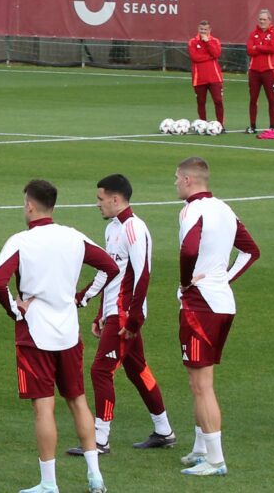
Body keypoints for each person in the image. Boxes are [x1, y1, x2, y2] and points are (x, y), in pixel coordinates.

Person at [0, 179, 120, 493]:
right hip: (68, 332)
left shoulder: (21, 240)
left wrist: (16, 310)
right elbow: (109, 268)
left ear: (30, 206)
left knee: (44, 408)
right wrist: (81, 298)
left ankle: (49, 483)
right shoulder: (74, 237)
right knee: (78, 400)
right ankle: (95, 477)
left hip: (35, 333)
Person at [66, 174, 175, 458]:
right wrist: (96, 308)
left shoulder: (134, 229)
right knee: (137, 369)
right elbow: (110, 272)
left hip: (126, 314)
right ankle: (163, 430)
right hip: (116, 311)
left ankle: (100, 438)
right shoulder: (113, 228)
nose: (98, 205)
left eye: (100, 200)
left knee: (101, 370)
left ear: (116, 199)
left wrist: (133, 319)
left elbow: (143, 274)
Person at [173, 157, 259, 476]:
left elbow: (189, 251)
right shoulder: (224, 208)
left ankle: (215, 459)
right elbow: (251, 250)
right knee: (201, 380)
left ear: (187, 180)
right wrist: (223, 277)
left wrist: (186, 282)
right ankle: (200, 449)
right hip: (223, 303)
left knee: (201, 385)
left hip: (201, 305)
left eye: (176, 179)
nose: (175, 184)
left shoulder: (192, 211)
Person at [246, 9, 274, 135]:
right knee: (253, 99)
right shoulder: (253, 33)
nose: (262, 21)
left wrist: (258, 47)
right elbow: (250, 50)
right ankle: (252, 126)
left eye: (264, 19)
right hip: (254, 71)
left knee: (271, 99)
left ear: (269, 21)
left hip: (269, 70)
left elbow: (272, 48)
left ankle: (272, 126)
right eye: (260, 19)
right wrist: (262, 47)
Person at [188, 20, 225, 126]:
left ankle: (220, 124)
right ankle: (203, 124)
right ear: (198, 29)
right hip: (199, 78)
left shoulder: (215, 41)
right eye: (201, 29)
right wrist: (210, 57)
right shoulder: (193, 42)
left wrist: (207, 42)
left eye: (205, 29)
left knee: (218, 100)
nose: (203, 31)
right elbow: (194, 57)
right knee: (201, 102)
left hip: (214, 77)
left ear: (209, 30)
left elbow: (216, 53)